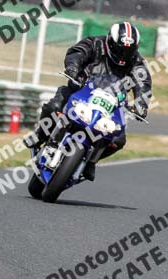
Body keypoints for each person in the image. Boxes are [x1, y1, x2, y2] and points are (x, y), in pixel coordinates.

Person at [24, 22, 153, 181]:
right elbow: (77, 52)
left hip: (111, 105)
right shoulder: (95, 43)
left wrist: (141, 104)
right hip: (81, 90)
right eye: (119, 49)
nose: (123, 55)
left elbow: (143, 82)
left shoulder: (137, 62)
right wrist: (73, 67)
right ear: (110, 42)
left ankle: (91, 161)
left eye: (128, 51)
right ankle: (40, 135)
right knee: (54, 106)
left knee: (118, 139)